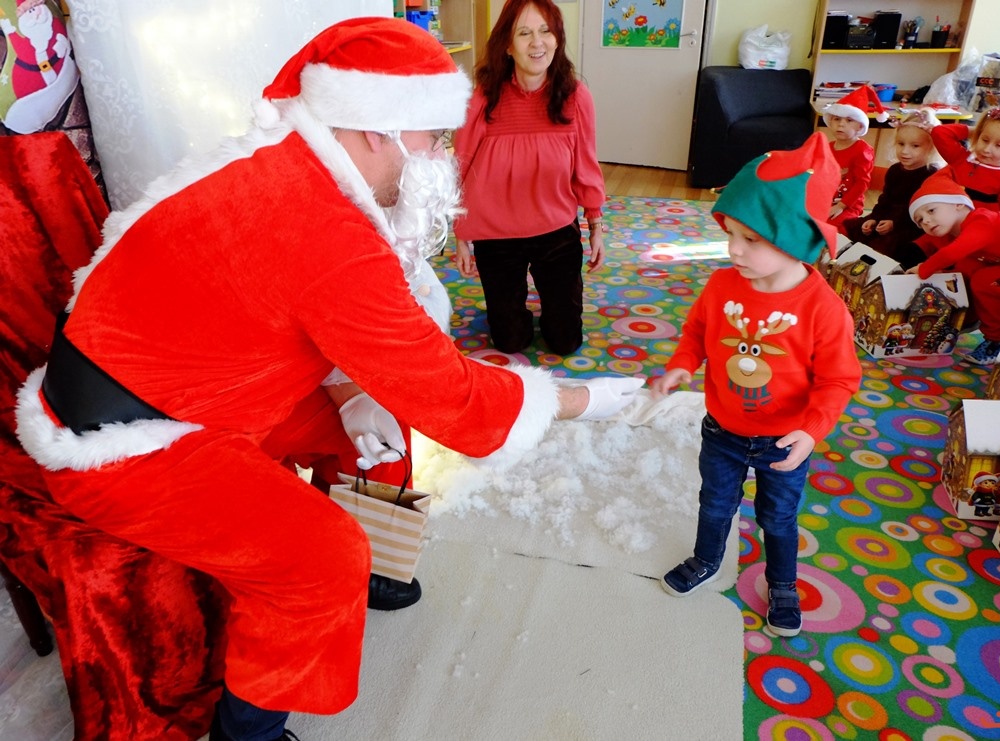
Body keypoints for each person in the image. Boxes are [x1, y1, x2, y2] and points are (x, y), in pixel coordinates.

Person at [14, 18, 645, 741]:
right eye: (431, 135)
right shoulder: (324, 227)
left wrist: (348, 393)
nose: (441, 154)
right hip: (126, 439)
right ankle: (246, 731)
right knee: (321, 558)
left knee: (376, 426)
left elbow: (282, 308)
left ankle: (380, 560)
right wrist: (575, 398)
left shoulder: (295, 165)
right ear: (378, 129)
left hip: (193, 379)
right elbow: (451, 394)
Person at [651, 132, 861, 638]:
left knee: (778, 518)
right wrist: (682, 363)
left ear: (795, 240)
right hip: (722, 430)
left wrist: (812, 430)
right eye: (731, 234)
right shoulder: (722, 284)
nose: (733, 249)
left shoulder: (823, 309)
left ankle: (782, 583)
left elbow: (838, 379)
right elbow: (697, 331)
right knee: (714, 504)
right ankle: (707, 559)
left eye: (751, 240)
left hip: (784, 440)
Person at [453, 0, 606, 356]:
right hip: (496, 235)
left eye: (545, 31)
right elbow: (459, 167)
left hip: (555, 230)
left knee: (565, 341)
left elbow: (586, 164)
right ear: (508, 45)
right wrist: (461, 234)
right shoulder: (483, 98)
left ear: (557, 39)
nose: (537, 43)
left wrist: (595, 224)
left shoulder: (575, 96)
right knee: (510, 342)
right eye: (524, 33)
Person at [907, 173, 1000, 365]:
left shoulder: (982, 221)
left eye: (931, 210)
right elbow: (962, 275)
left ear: (958, 204)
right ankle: (996, 338)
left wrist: (923, 269)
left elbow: (950, 254)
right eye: (919, 221)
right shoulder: (962, 238)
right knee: (982, 280)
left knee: (985, 281)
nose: (926, 221)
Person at [842, 108, 941, 267]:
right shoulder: (895, 170)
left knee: (889, 248)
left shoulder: (931, 174)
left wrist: (895, 224)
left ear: (931, 147)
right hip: (886, 217)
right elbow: (885, 199)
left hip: (912, 223)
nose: (905, 151)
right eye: (901, 144)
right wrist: (874, 218)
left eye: (915, 146)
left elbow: (925, 212)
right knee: (853, 229)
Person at [926, 105, 1000, 213]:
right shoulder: (960, 158)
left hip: (976, 222)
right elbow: (939, 132)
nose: (987, 149)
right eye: (985, 140)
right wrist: (976, 131)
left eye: (999, 145)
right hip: (943, 219)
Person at [822, 85, 888, 229]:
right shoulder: (828, 146)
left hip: (848, 204)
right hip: (825, 200)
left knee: (834, 227)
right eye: (837, 119)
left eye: (849, 120)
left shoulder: (862, 150)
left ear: (860, 126)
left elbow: (861, 184)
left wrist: (840, 206)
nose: (841, 124)